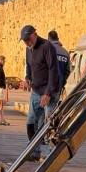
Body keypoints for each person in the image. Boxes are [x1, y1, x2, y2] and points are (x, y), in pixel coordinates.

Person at [20, 24, 60, 161]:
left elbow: (53, 70)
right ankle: (34, 151)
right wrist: (28, 77)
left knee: (49, 124)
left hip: (50, 91)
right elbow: (29, 65)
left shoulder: (47, 47)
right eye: (25, 41)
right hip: (36, 91)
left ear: (35, 34)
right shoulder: (28, 49)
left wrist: (48, 93)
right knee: (31, 122)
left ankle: (50, 155)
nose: (27, 42)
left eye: (28, 39)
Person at [47, 30, 72, 97]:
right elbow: (67, 71)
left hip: (45, 88)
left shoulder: (46, 50)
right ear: (58, 39)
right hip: (57, 87)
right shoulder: (65, 52)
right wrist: (62, 83)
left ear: (48, 39)